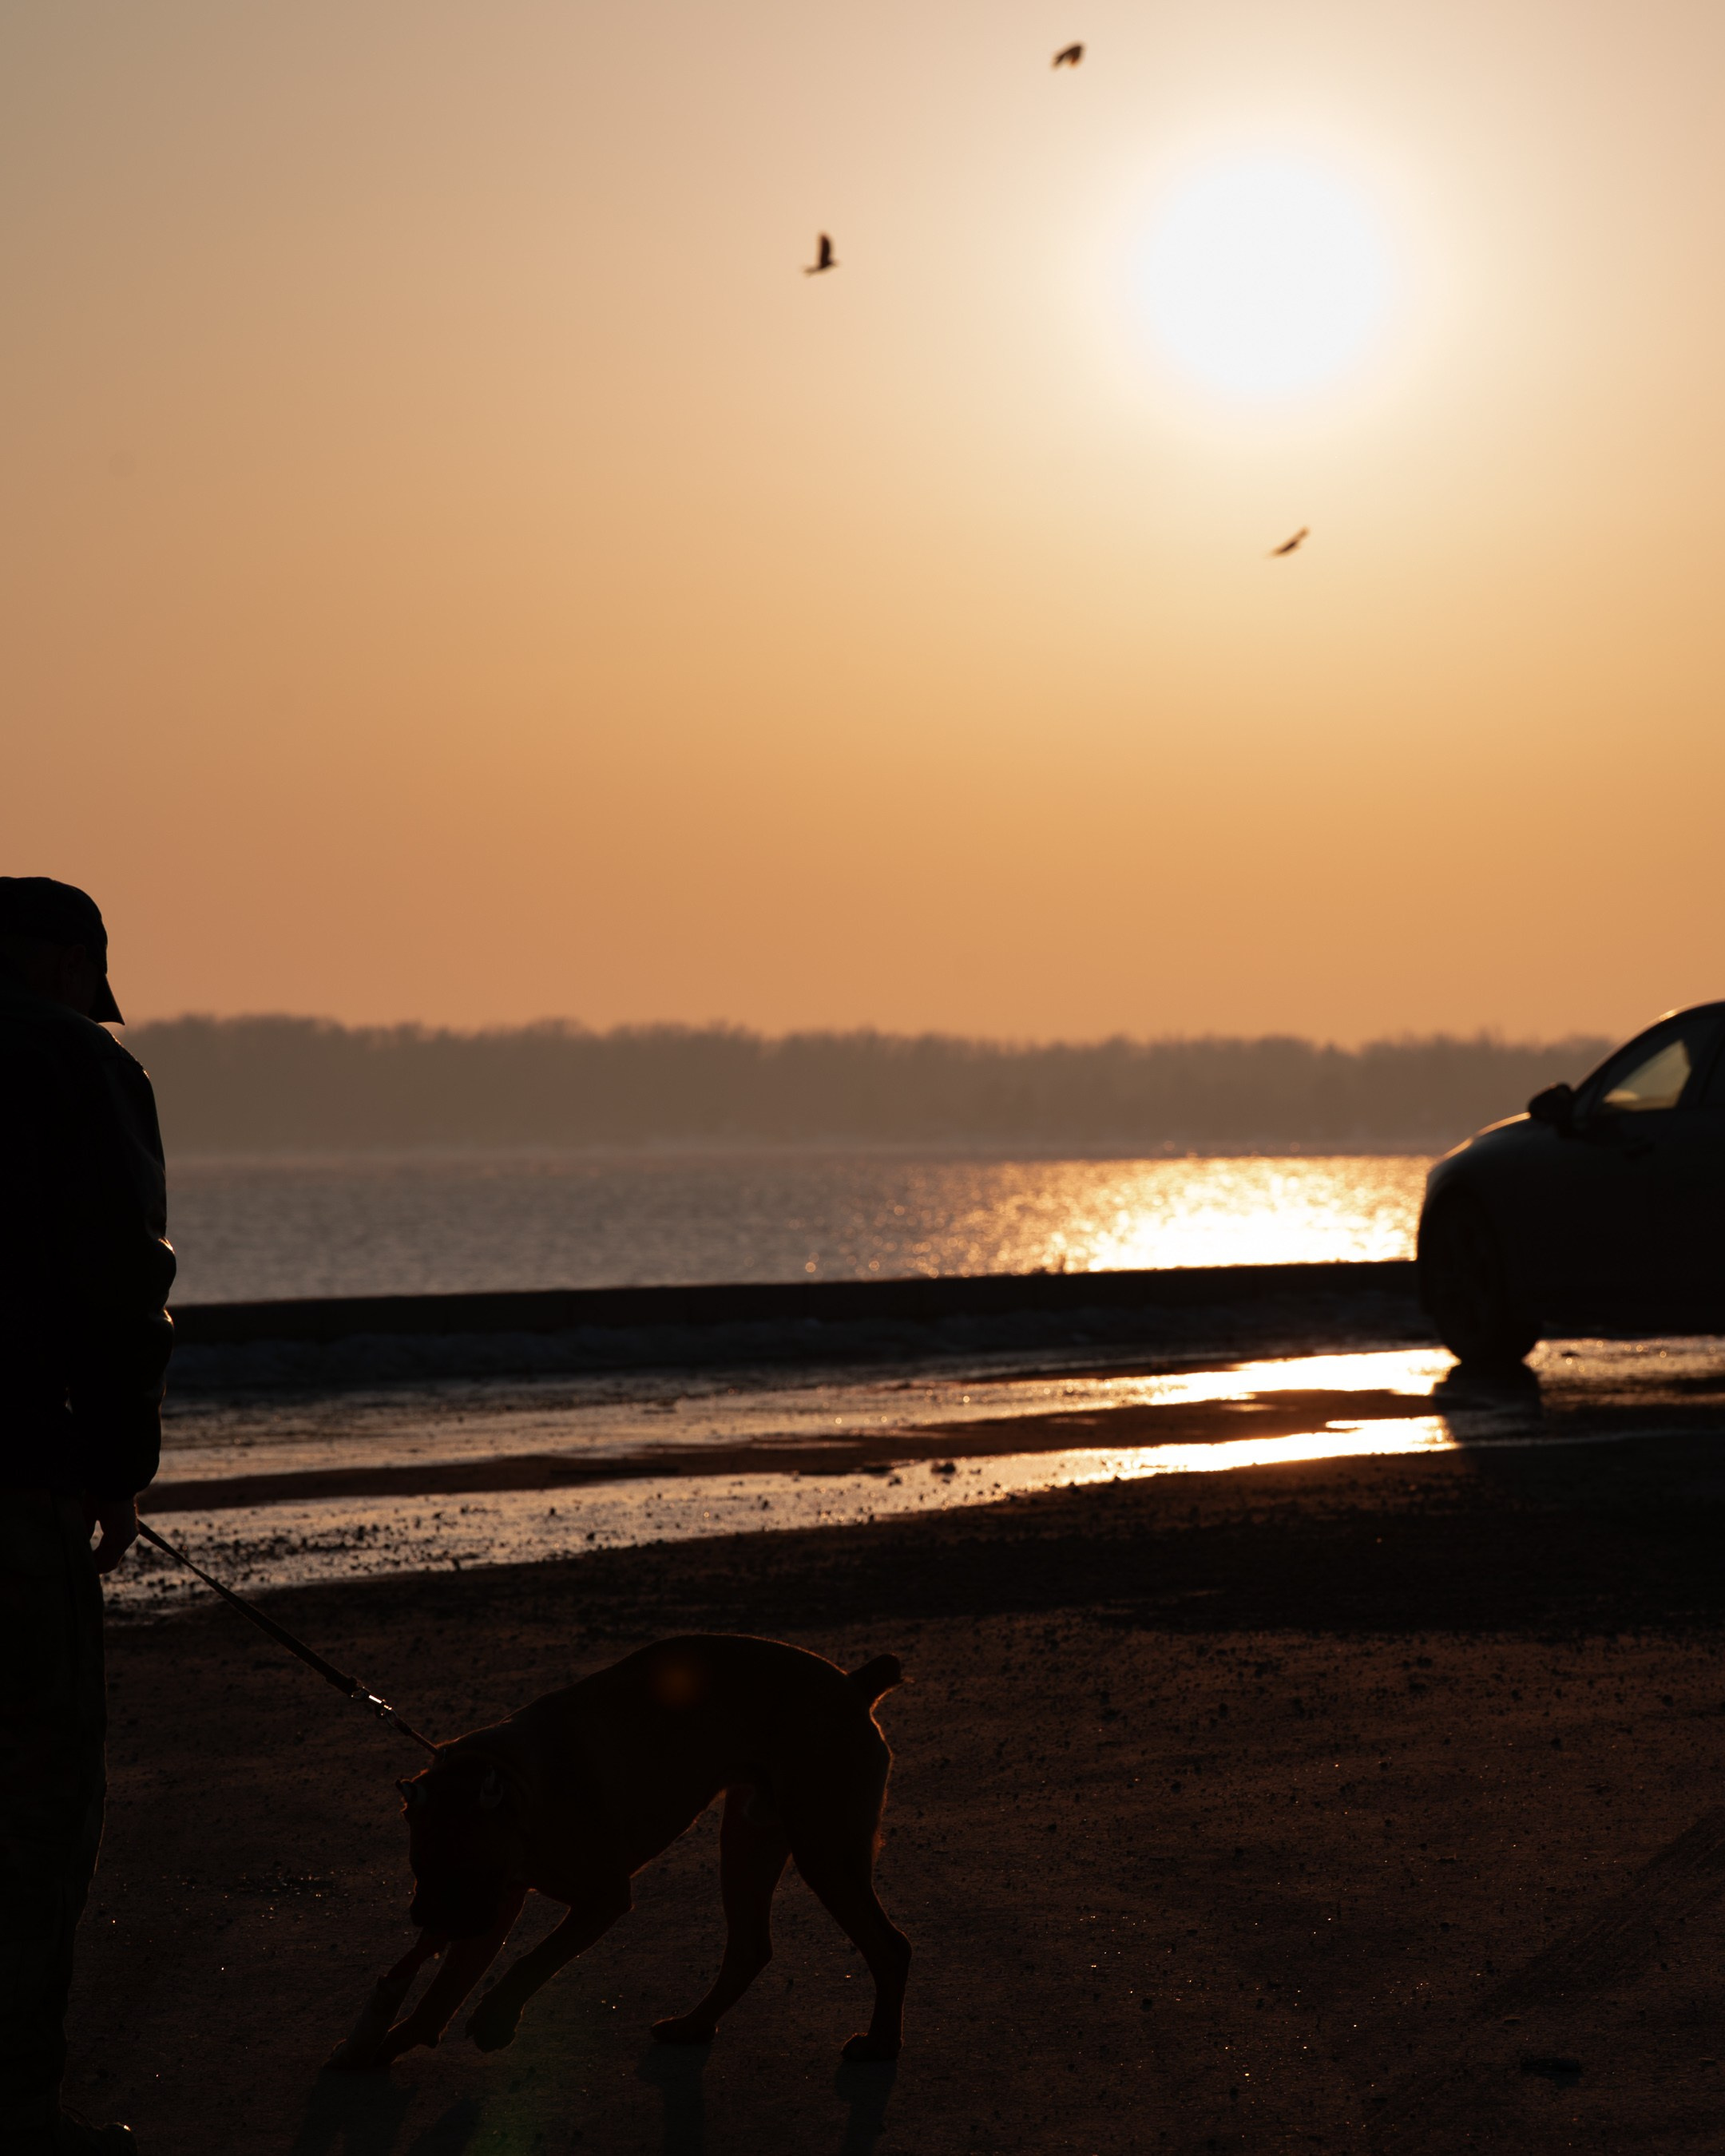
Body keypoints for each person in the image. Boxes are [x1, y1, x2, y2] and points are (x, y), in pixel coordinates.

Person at [0, 879, 174, 2156]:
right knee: (34, 1796)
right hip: (9, 1483)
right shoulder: (69, 1067)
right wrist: (116, 1468)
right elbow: (120, 1282)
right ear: (67, 963)